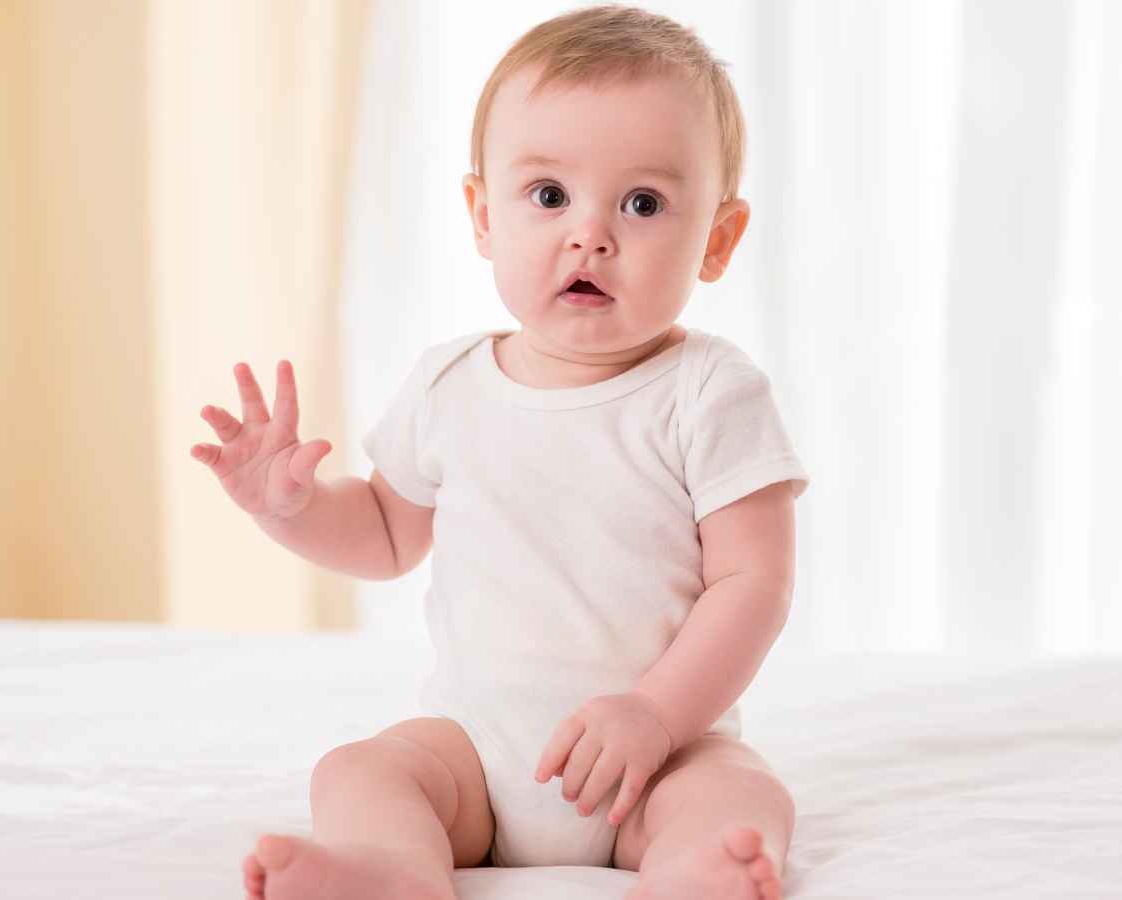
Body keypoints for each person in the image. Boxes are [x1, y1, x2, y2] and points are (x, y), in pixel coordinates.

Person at [192, 6, 807, 899]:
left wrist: (655, 713)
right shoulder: (450, 386)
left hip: (656, 755)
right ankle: (395, 871)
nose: (588, 235)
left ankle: (689, 874)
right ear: (483, 216)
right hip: (476, 758)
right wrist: (293, 508)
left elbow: (755, 586)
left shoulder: (710, 391)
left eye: (643, 203)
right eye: (549, 195)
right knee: (357, 771)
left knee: (741, 795)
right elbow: (385, 537)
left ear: (717, 238)